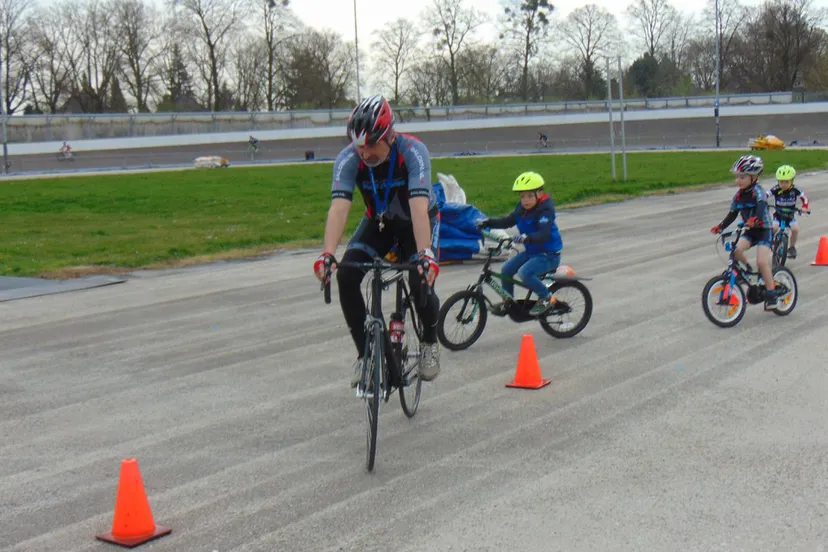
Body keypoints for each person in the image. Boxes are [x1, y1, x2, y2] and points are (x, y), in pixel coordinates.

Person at [312, 94, 442, 387]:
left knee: (421, 281)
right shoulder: (349, 159)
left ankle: (430, 342)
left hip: (415, 221)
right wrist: (327, 254)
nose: (364, 153)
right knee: (346, 274)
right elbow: (339, 208)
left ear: (389, 135)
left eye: (371, 145)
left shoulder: (412, 151)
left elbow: (419, 207)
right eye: (359, 146)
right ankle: (366, 356)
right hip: (380, 221)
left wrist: (425, 254)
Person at [475, 171, 563, 317]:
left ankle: (547, 298)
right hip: (532, 252)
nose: (525, 200)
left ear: (540, 193)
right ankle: (508, 302)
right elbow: (507, 221)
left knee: (525, 273)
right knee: (506, 270)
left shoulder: (545, 210)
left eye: (529, 195)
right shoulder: (522, 209)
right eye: (522, 196)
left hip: (548, 255)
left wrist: (526, 237)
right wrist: (487, 223)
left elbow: (544, 234)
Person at [710, 154, 779, 309]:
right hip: (749, 231)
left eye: (742, 177)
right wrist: (720, 226)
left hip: (763, 230)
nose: (738, 181)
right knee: (735, 251)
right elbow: (732, 214)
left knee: (762, 262)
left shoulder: (758, 191)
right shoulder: (738, 196)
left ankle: (771, 292)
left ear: (753, 177)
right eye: (737, 177)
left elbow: (761, 205)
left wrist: (756, 219)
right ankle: (747, 270)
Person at [768, 164, 810, 259]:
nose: (783, 184)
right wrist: (761, 201)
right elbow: (766, 194)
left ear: (792, 181)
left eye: (786, 182)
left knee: (795, 229)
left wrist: (804, 207)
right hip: (778, 215)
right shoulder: (776, 189)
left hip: (790, 216)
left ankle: (792, 247)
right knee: (774, 228)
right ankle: (769, 241)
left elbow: (804, 198)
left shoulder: (795, 190)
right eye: (781, 182)